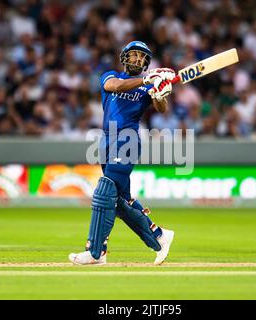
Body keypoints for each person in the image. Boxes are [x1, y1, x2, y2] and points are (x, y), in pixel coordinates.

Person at [69, 41, 175, 265]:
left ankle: (96, 252)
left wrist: (159, 93)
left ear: (145, 62)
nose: (137, 59)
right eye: (134, 55)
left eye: (141, 57)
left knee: (105, 189)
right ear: (125, 57)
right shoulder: (110, 76)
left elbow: (161, 108)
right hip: (106, 139)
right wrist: (148, 80)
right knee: (119, 201)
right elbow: (115, 87)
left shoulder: (148, 87)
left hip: (127, 139)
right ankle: (160, 236)